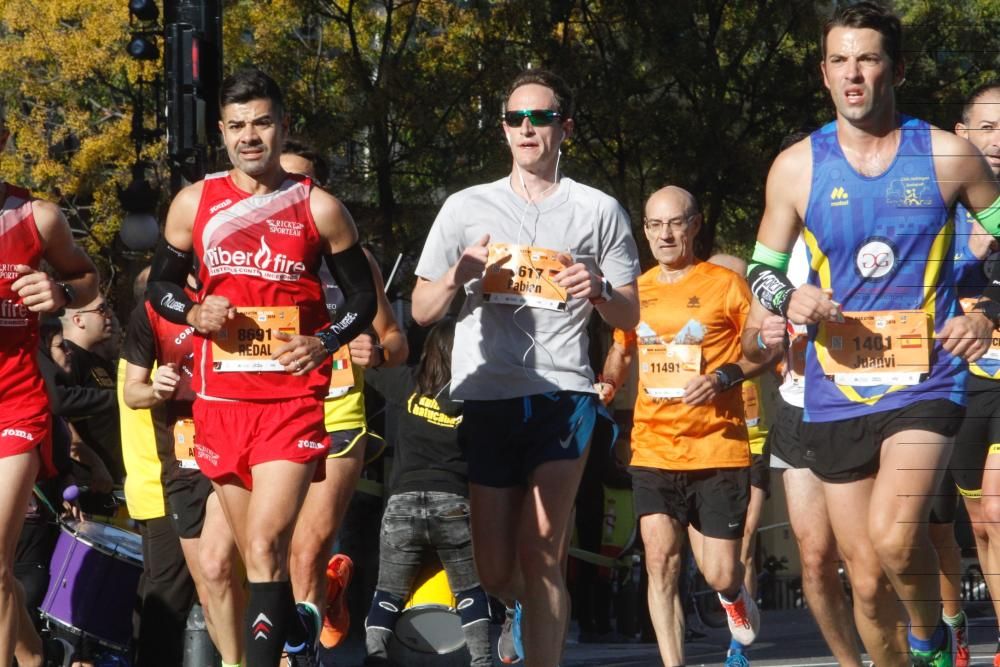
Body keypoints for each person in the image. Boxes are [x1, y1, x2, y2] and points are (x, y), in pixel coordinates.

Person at [748, 3, 1000, 664]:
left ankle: (930, 637)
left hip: (928, 378)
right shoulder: (796, 167)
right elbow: (761, 270)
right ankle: (917, 642)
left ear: (897, 68)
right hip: (837, 389)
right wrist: (789, 296)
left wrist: (985, 312)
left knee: (894, 538)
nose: (852, 73)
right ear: (823, 73)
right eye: (839, 60)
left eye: (868, 58)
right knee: (863, 580)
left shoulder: (949, 156)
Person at [146, 67, 378, 666]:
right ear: (222, 132)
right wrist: (194, 312)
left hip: (290, 402)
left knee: (267, 541)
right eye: (238, 126)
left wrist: (324, 343)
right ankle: (291, 643)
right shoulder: (193, 204)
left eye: (263, 123)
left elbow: (362, 302)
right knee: (254, 561)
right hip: (220, 404)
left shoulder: (319, 208)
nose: (251, 136)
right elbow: (160, 290)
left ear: (283, 126)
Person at [411, 69, 641, 667]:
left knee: (543, 549)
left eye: (540, 118)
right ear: (504, 130)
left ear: (563, 128)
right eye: (516, 118)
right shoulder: (466, 207)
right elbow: (420, 309)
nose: (527, 128)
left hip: (564, 394)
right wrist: (459, 274)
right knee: (493, 569)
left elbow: (630, 311)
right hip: (488, 396)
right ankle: (514, 605)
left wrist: (597, 288)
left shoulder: (598, 209)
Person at [600, 187, 765, 667]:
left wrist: (723, 376)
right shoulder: (636, 289)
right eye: (655, 225)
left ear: (694, 226)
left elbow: (762, 350)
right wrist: (609, 382)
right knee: (659, 562)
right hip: (653, 447)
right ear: (645, 231)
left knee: (718, 573)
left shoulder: (727, 285)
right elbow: (622, 349)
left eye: (675, 223)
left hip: (716, 447)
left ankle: (732, 594)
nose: (665, 234)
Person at [279, 140, 408, 662]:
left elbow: (397, 342)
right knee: (272, 552)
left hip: (337, 412)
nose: (287, 193)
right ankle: (328, 593)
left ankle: (297, 657)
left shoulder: (353, 260)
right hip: (268, 413)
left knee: (307, 548)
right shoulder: (244, 255)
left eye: (300, 183)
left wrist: (374, 352)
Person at [0, 101, 99, 666]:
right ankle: (35, 657)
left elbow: (87, 279)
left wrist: (61, 294)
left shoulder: (35, 217)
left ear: (4, 137)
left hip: (14, 403)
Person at [742, 239, 865, 667]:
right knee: (814, 557)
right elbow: (751, 343)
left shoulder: (866, 227)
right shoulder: (784, 247)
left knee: (866, 557)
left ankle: (910, 645)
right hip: (797, 411)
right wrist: (764, 338)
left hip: (860, 407)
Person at [122, 266, 243, 667]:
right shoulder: (152, 312)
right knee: (209, 590)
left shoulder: (245, 293)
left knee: (222, 566)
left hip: (239, 448)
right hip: (183, 462)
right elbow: (132, 392)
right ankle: (237, 658)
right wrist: (155, 388)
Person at [361, 318, 492, 666]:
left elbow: (368, 369)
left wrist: (371, 344)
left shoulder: (407, 382)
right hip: (454, 505)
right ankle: (481, 660)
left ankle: (374, 656)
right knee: (469, 591)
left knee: (387, 594)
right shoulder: (478, 402)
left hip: (402, 504)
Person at [948, 80, 1000, 667]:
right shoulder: (941, 209)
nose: (998, 140)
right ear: (962, 136)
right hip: (960, 382)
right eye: (986, 127)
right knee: (978, 525)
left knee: (996, 509)